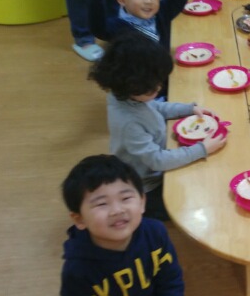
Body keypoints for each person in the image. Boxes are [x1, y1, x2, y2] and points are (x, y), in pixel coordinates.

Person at [89, 32, 227, 220]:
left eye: (159, 82)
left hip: (156, 160)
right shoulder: (128, 122)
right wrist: (202, 149)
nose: (159, 88)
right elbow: (158, 160)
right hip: (146, 184)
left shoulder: (128, 96)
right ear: (131, 86)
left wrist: (189, 109)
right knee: (188, 204)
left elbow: (156, 107)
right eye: (152, 87)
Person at [60, 154, 184, 296]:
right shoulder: (77, 271)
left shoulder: (156, 233)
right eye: (102, 204)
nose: (117, 210)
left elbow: (170, 282)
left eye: (125, 198)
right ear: (79, 219)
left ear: (142, 202)